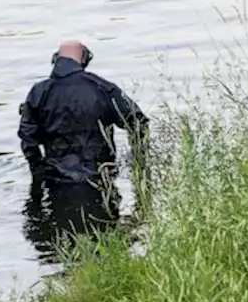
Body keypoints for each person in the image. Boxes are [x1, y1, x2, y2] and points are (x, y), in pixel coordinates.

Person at [17, 41, 149, 239]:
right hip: (98, 179)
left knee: (59, 238)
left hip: (56, 183)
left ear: (55, 60)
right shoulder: (103, 88)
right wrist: (138, 164)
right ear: (84, 59)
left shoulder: (39, 92)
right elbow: (138, 122)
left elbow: (28, 139)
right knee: (103, 238)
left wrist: (38, 174)